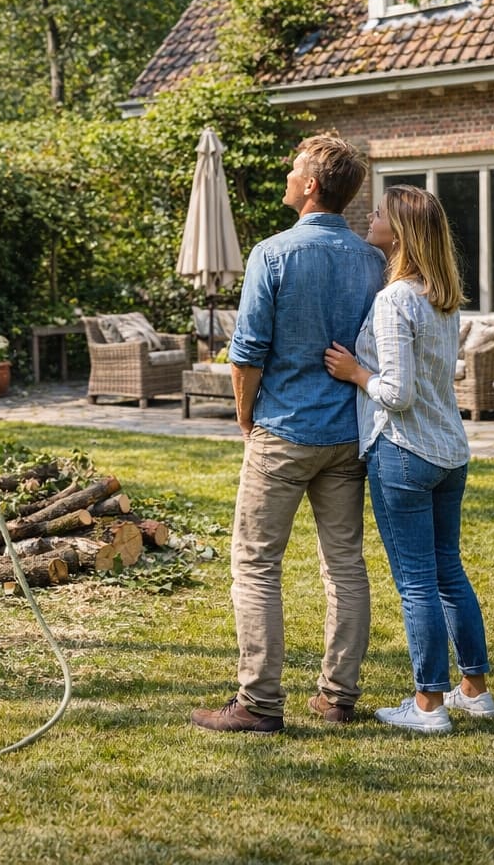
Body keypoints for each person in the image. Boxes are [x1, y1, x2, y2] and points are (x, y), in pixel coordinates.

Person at [192, 134, 386, 736]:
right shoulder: (374, 261)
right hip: (347, 435)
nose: (287, 175)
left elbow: (246, 352)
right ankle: (336, 697)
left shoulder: (272, 253)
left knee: (255, 566)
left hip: (284, 429)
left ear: (310, 186)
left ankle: (258, 703)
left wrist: (245, 416)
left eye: (294, 169)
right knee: (345, 566)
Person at [324, 185, 494, 733]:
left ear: (397, 233)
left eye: (377, 213)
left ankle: (427, 706)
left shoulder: (395, 298)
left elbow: (396, 392)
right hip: (450, 452)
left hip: (404, 452)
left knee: (418, 583)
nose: (369, 217)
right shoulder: (440, 296)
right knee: (449, 571)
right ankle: (474, 689)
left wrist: (356, 373)